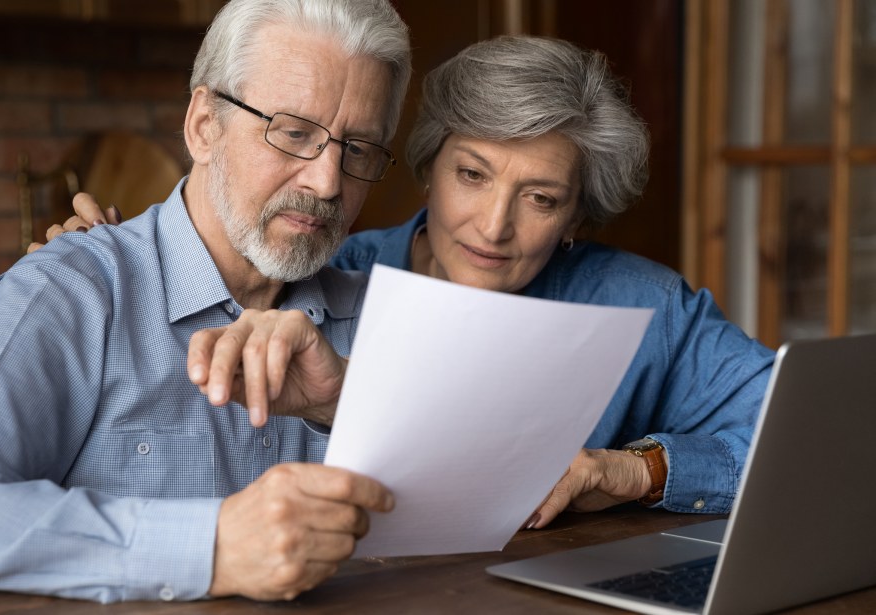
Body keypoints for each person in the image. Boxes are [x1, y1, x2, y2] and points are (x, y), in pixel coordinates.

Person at [50, 35, 776, 530]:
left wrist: (635, 470)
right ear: (428, 165)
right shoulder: (326, 276)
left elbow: (805, 439)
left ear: (576, 217)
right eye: (472, 175)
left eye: (541, 198)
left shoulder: (644, 304)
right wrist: (120, 271)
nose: (493, 225)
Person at [0, 0, 413, 604]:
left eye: (358, 149)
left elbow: (494, 498)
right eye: (293, 133)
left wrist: (349, 402)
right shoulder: (73, 292)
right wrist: (213, 547)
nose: (328, 182)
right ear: (205, 125)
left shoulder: (386, 317)